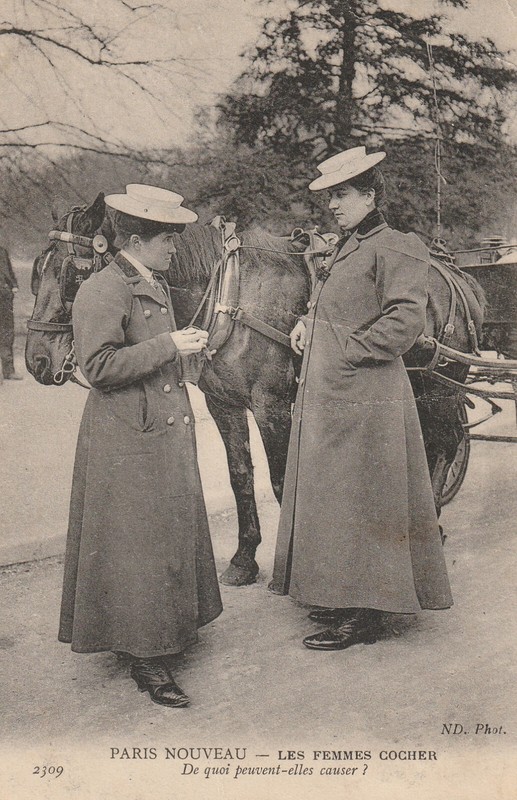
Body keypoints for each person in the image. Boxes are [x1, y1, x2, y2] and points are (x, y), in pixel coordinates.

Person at [270, 147, 453, 650]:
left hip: (367, 396)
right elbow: (342, 304)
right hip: (333, 397)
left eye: (342, 194)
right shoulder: (347, 246)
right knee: (337, 498)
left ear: (370, 195)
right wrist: (308, 323)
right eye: (329, 196)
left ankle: (367, 613)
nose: (333, 204)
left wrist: (348, 350)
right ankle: (343, 595)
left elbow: (405, 319)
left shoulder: (396, 245)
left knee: (367, 499)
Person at [58, 184, 222, 706]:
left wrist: (185, 351)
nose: (174, 248)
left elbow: (152, 356)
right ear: (135, 241)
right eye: (166, 239)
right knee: (137, 544)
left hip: (156, 432)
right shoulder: (104, 288)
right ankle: (146, 657)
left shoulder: (150, 281)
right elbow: (99, 367)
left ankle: (166, 632)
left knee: (160, 535)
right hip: (127, 436)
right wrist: (167, 345)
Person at [0, 243, 22, 381]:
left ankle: (8, 370)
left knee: (7, 333)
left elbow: (9, 271)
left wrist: (14, 285)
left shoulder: (2, 251)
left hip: (4, 297)